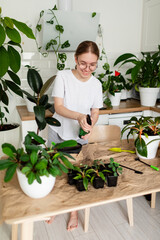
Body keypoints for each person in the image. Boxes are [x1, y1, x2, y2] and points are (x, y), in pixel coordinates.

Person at [46, 40, 103, 231]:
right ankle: (55, 205)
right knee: (54, 170)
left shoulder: (96, 84)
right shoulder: (63, 76)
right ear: (75, 59)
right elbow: (59, 107)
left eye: (92, 64)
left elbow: (95, 111)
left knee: (76, 172)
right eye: (83, 63)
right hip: (58, 130)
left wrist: (90, 125)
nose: (87, 68)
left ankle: (73, 211)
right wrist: (79, 116)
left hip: (78, 134)